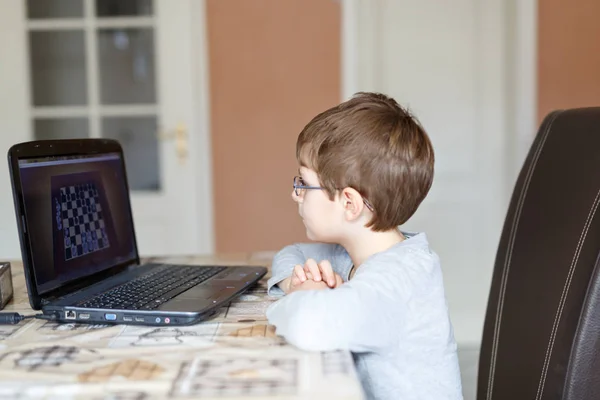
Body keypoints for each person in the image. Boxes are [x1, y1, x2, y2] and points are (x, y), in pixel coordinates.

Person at [265, 92, 463, 399]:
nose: (296, 194)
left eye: (304, 183)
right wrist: (294, 280)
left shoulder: (395, 280)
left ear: (350, 203)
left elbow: (307, 326)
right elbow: (289, 252)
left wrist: (308, 295)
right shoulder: (359, 254)